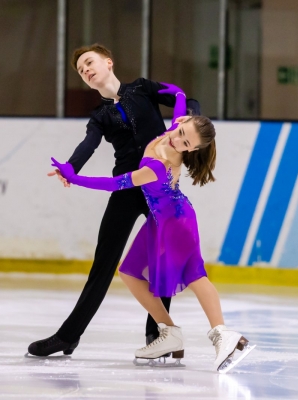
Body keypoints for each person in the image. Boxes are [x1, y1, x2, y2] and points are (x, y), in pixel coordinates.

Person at [50, 84, 255, 373]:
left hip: (177, 223)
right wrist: (179, 95)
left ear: (192, 150)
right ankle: (169, 331)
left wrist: (75, 178)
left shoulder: (159, 165)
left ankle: (222, 333)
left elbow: (115, 184)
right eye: (180, 132)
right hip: (160, 221)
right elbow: (179, 106)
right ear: (181, 122)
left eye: (185, 143)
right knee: (129, 273)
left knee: (196, 276)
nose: (177, 140)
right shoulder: (174, 130)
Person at [27, 43, 201, 357]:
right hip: (125, 188)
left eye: (89, 62)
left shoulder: (143, 88)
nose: (86, 70)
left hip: (158, 187)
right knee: (103, 264)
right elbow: (88, 144)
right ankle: (68, 336)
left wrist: (188, 122)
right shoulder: (100, 116)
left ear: (108, 62)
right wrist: (71, 167)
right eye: (81, 70)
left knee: (162, 259)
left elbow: (186, 99)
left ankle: (160, 334)